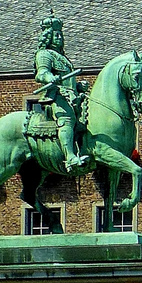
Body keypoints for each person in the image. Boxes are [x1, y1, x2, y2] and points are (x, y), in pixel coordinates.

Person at [34, 16, 89, 172]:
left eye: (60, 35)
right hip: (57, 97)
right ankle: (70, 157)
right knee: (67, 119)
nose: (59, 38)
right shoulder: (44, 54)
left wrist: (78, 86)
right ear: (48, 37)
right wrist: (50, 77)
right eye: (56, 35)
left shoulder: (64, 58)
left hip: (73, 97)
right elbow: (41, 73)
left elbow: (69, 82)